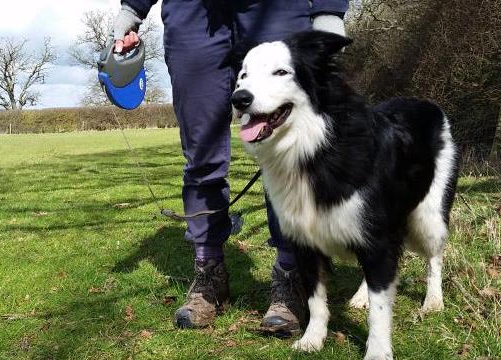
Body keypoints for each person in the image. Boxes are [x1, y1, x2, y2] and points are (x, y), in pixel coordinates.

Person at [113, 0, 349, 336]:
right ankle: (209, 272)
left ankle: (292, 275)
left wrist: (329, 9)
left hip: (276, 9)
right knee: (200, 154)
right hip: (191, 14)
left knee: (290, 154)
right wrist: (132, 9)